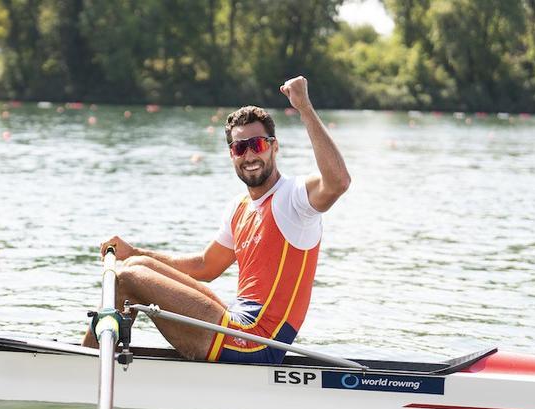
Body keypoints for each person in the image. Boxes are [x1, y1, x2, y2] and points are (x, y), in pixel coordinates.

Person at [83, 76, 350, 363]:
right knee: (136, 265)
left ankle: (82, 364)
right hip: (236, 321)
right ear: (231, 155)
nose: (249, 155)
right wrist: (135, 252)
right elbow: (205, 266)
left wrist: (305, 108)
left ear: (274, 147)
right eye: (239, 148)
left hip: (255, 341)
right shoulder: (239, 208)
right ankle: (103, 356)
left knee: (126, 278)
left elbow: (338, 182)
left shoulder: (294, 197)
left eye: (257, 144)